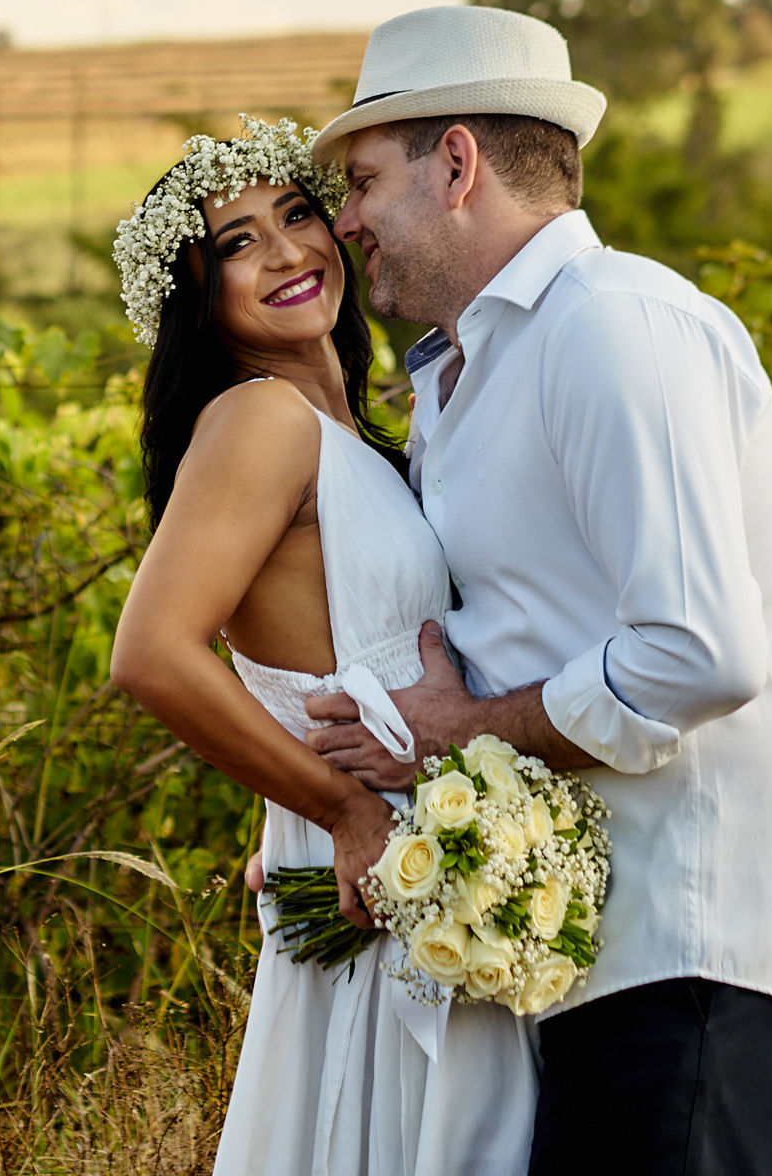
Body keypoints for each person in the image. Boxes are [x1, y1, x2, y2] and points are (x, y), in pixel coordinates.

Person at [302, 4, 772, 1175]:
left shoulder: (613, 326)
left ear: (460, 162)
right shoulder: (468, 377)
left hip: (692, 959)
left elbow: (700, 653)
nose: (349, 221)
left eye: (366, 179)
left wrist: (470, 734)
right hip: (588, 971)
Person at [107, 114, 537, 1176]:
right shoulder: (260, 421)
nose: (291, 251)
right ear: (196, 295)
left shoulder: (353, 435)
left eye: (298, 215)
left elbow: (314, 652)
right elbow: (152, 655)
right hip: (378, 857)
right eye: (239, 242)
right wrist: (335, 810)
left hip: (427, 852)